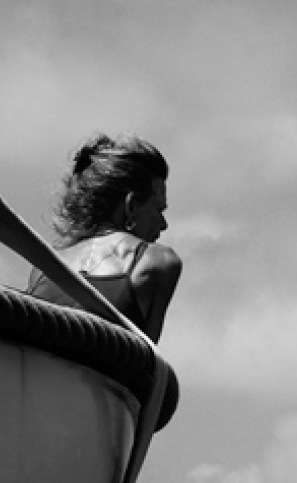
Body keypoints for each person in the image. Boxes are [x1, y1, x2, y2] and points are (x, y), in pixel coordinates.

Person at [27, 133, 182, 342]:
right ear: (131, 205)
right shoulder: (157, 262)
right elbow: (147, 356)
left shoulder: (42, 269)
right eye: (158, 209)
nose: (163, 224)